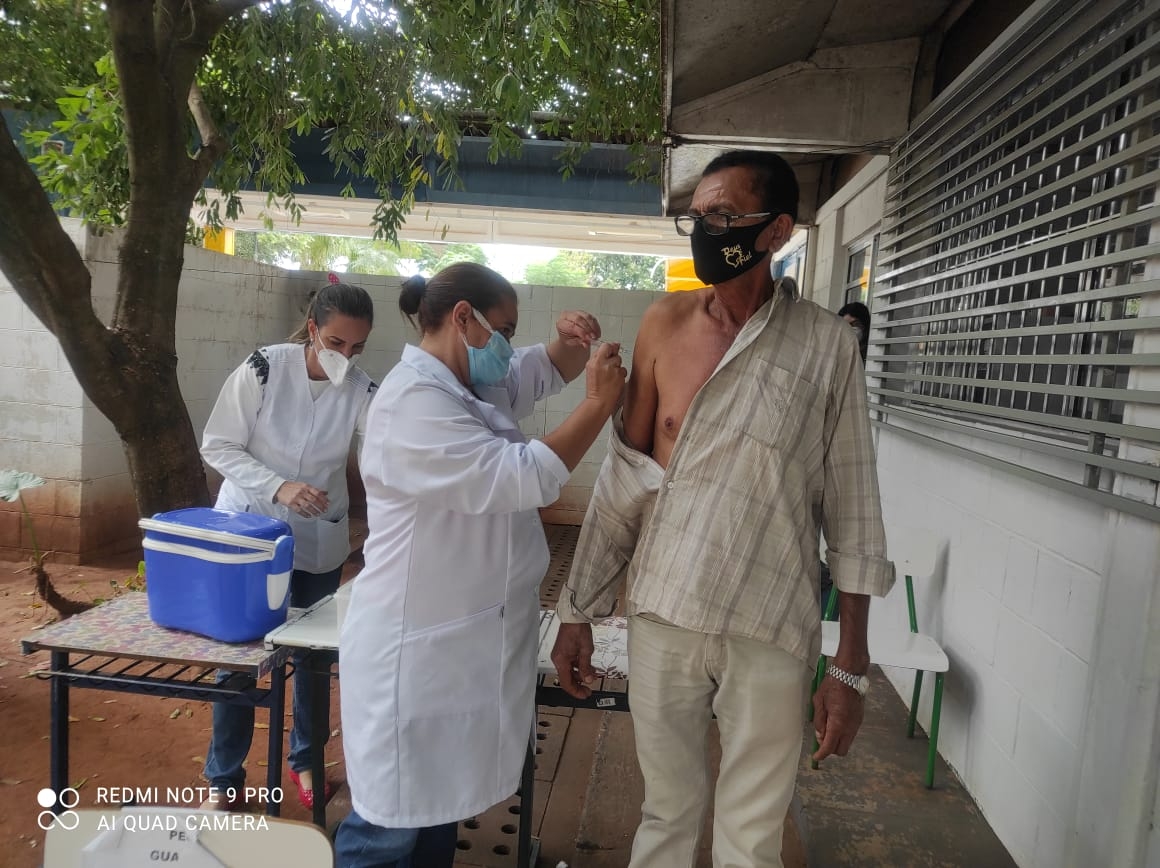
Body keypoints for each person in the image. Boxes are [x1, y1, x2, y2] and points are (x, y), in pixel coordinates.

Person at [550, 150, 895, 868]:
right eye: (698, 216)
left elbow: (854, 508)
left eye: (723, 215)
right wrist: (577, 609)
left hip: (770, 624)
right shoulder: (664, 324)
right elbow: (626, 477)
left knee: (752, 835)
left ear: (776, 231)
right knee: (666, 814)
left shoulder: (827, 345)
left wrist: (850, 665)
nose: (706, 229)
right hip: (665, 611)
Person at [336, 263, 626, 868]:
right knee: (387, 829)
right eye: (504, 331)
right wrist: (599, 405)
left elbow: (533, 371)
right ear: (462, 318)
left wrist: (568, 343)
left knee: (437, 815)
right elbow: (520, 477)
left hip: (458, 649)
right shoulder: (412, 403)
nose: (506, 347)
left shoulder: (465, 381)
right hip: (414, 655)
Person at [199, 280, 377, 811]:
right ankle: (224, 778)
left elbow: (390, 450)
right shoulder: (264, 368)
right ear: (314, 328)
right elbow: (218, 444)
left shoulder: (362, 390)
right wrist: (278, 486)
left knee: (314, 659)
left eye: (357, 347)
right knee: (239, 656)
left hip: (317, 538)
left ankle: (306, 760)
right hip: (250, 528)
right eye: (337, 342)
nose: (346, 356)